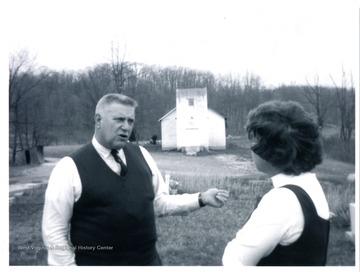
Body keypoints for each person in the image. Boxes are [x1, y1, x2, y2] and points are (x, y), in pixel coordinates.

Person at [42, 93, 229, 266]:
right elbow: (54, 233)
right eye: (119, 119)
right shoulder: (69, 168)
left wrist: (201, 198)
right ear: (98, 120)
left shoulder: (142, 155)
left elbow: (159, 203)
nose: (126, 126)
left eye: (130, 120)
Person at [222, 100, 330, 266]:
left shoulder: (282, 200)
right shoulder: (310, 184)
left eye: (254, 141)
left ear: (271, 149)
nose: (251, 148)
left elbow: (235, 260)